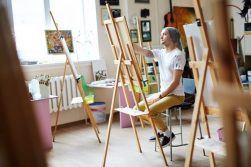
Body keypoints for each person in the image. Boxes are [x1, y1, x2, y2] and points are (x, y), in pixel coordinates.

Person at [133, 27, 185, 147]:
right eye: (161, 34)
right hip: (164, 93)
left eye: (164, 34)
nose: (161, 36)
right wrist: (128, 43)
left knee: (150, 111)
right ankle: (162, 130)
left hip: (176, 95)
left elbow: (176, 82)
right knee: (137, 109)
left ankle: (167, 134)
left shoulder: (178, 55)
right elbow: (145, 52)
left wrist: (160, 96)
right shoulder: (161, 53)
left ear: (173, 38)